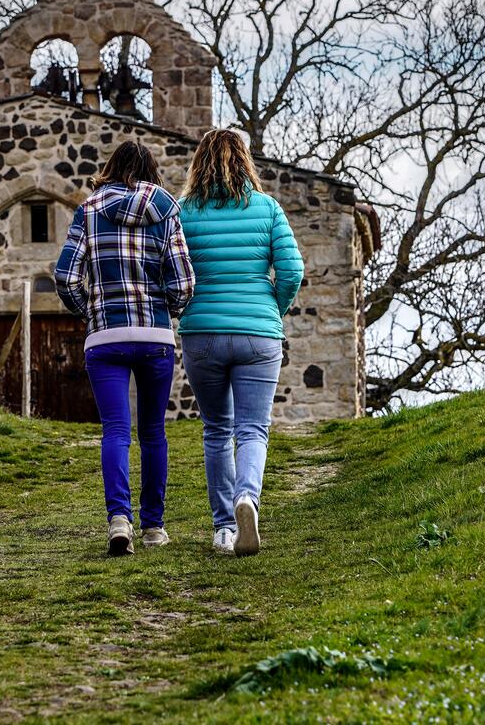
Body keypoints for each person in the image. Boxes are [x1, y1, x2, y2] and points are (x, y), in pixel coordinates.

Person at [54, 140, 195, 556]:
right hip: (154, 336)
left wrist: (90, 311)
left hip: (106, 337)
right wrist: (165, 309)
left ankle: (119, 520)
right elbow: (184, 282)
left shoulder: (89, 210)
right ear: (151, 169)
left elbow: (65, 276)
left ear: (110, 168)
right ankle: (154, 527)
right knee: (153, 432)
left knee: (116, 429)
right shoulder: (168, 211)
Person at [177, 128, 304, 557]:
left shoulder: (183, 213)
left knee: (216, 430)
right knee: (252, 430)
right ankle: (247, 497)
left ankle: (224, 529)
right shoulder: (267, 208)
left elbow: (171, 274)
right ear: (245, 162)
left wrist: (186, 307)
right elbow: (292, 272)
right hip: (258, 333)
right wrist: (274, 310)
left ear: (200, 163)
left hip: (202, 333)